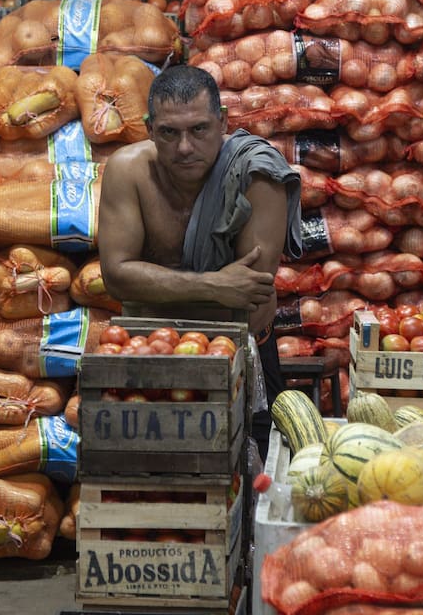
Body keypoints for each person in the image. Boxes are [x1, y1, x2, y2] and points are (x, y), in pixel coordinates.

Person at [97, 65, 303, 460]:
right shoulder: (128, 171)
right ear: (149, 129)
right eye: (169, 133)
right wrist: (214, 286)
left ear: (222, 122)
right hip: (151, 355)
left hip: (239, 356)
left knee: (250, 475)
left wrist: (155, 289)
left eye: (199, 129)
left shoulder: (256, 173)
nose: (184, 147)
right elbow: (117, 277)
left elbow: (249, 298)